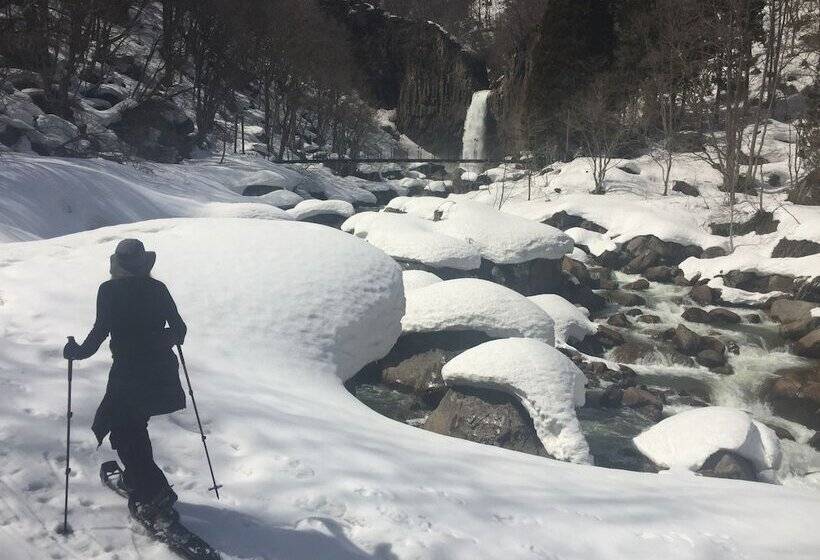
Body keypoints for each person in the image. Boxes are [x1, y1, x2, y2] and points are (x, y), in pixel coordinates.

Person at [64, 238, 187, 528]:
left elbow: (100, 332)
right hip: (159, 370)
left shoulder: (109, 290)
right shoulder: (158, 289)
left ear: (116, 265)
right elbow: (180, 331)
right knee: (131, 426)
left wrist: (76, 352)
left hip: (129, 373)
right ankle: (139, 480)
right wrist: (158, 340)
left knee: (123, 430)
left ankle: (153, 494)